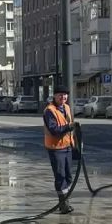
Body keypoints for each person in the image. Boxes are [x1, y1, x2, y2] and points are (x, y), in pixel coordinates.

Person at [43, 86, 76, 214]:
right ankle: (63, 204)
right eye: (60, 95)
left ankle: (65, 201)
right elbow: (54, 130)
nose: (63, 97)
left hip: (67, 146)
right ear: (55, 96)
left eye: (65, 95)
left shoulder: (66, 108)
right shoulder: (49, 111)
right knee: (60, 176)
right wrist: (68, 127)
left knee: (68, 177)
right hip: (56, 148)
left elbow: (70, 127)